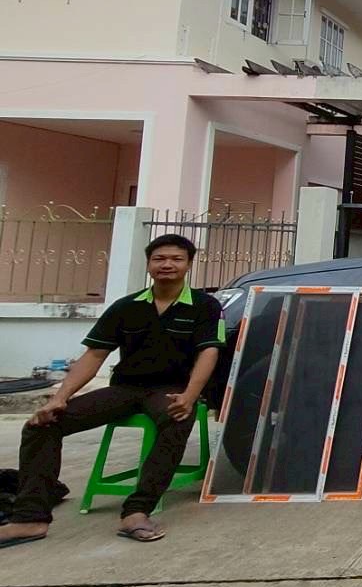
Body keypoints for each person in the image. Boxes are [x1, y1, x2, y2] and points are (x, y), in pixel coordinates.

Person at [0, 234, 224, 548]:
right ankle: (30, 519)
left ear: (188, 264)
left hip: (171, 389)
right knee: (42, 424)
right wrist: (59, 398)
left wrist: (189, 395)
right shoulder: (126, 307)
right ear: (148, 264)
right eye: (159, 259)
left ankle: (137, 512)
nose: (167, 265)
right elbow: (94, 355)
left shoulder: (205, 306)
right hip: (125, 388)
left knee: (176, 418)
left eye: (176, 259)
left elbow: (208, 352)